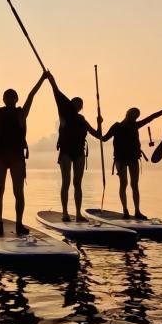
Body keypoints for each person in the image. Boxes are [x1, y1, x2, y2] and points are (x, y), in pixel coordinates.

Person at [0, 72, 47, 236]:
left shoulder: (21, 113)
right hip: (0, 157)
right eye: (6, 97)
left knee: (18, 192)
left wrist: (42, 79)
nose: (9, 99)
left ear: (16, 99)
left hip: (16, 157)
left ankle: (18, 224)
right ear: (4, 100)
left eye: (12, 97)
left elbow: (31, 95)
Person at [45, 72, 103, 223]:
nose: (78, 105)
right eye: (76, 103)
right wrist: (52, 80)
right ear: (72, 104)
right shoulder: (64, 114)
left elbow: (98, 135)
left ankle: (77, 214)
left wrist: (99, 122)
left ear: (81, 107)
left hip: (78, 153)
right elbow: (57, 95)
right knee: (66, 182)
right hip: (65, 152)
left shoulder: (82, 120)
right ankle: (65, 213)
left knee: (77, 183)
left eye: (80, 103)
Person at [101, 103, 162, 219]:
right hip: (120, 159)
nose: (134, 117)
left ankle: (137, 211)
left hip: (133, 158)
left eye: (136, 116)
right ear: (128, 114)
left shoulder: (135, 125)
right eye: (133, 115)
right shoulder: (117, 126)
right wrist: (97, 126)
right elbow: (104, 139)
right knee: (123, 183)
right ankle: (125, 210)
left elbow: (152, 117)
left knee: (134, 185)